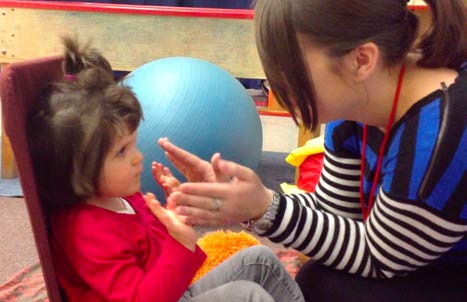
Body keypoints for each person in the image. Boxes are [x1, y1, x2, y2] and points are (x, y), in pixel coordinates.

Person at [157, 0, 467, 301]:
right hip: (412, 259)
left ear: (361, 60)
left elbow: (379, 257)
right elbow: (334, 214)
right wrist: (240, 199)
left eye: (289, 70)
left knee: (326, 287)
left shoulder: (441, 133)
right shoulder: (356, 105)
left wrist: (264, 208)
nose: (277, 87)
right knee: (320, 278)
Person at [27, 37, 304, 302]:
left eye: (133, 145)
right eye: (122, 151)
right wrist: (181, 243)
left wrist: (174, 216)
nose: (138, 158)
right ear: (78, 166)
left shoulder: (122, 197)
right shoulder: (86, 230)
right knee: (247, 296)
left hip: (171, 293)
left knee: (260, 261)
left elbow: (154, 255)